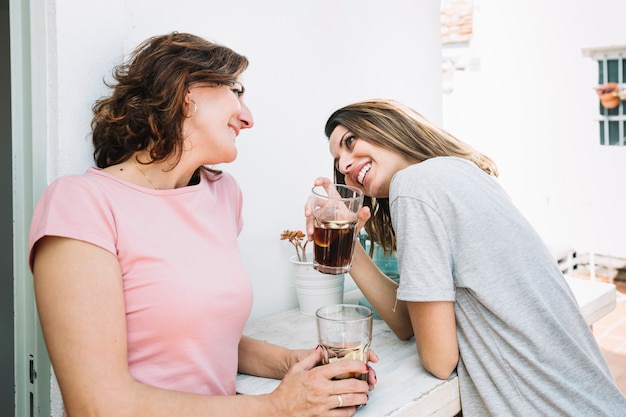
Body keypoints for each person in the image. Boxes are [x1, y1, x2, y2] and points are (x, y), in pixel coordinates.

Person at [29, 32, 376, 417]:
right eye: (237, 91)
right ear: (186, 92)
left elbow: (202, 340)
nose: (248, 118)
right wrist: (278, 406)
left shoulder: (223, 195)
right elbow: (97, 405)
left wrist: (301, 364)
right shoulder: (80, 203)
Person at [306, 98, 626, 416]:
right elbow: (407, 322)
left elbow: (439, 360)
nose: (345, 166)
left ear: (386, 124)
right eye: (338, 163)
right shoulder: (458, 171)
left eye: (349, 142)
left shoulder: (413, 186)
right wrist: (347, 243)